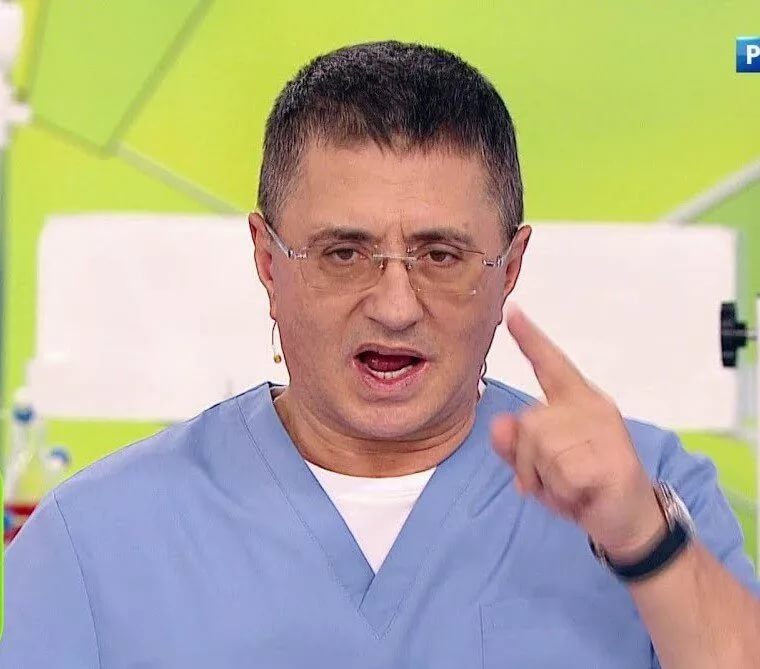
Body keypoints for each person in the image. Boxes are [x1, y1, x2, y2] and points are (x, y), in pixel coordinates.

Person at [1, 40, 758, 668]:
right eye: (343, 253)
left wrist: (644, 544)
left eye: (441, 255)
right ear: (267, 259)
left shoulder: (653, 495)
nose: (396, 306)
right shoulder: (91, 541)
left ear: (510, 268)